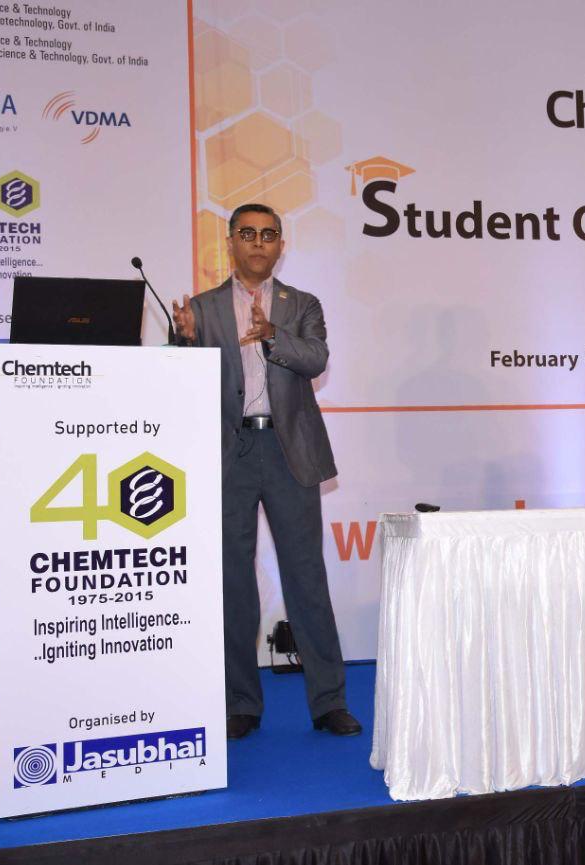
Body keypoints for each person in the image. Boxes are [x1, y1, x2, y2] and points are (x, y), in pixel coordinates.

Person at [172, 203, 361, 740]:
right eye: (248, 233)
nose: (258, 242)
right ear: (231, 241)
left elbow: (315, 358)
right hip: (228, 452)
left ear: (281, 244)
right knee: (233, 582)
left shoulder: (301, 304)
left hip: (287, 450)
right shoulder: (203, 308)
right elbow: (179, 382)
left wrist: (272, 334)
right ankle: (240, 703)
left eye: (269, 234)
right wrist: (184, 341)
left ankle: (329, 702)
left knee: (307, 579)